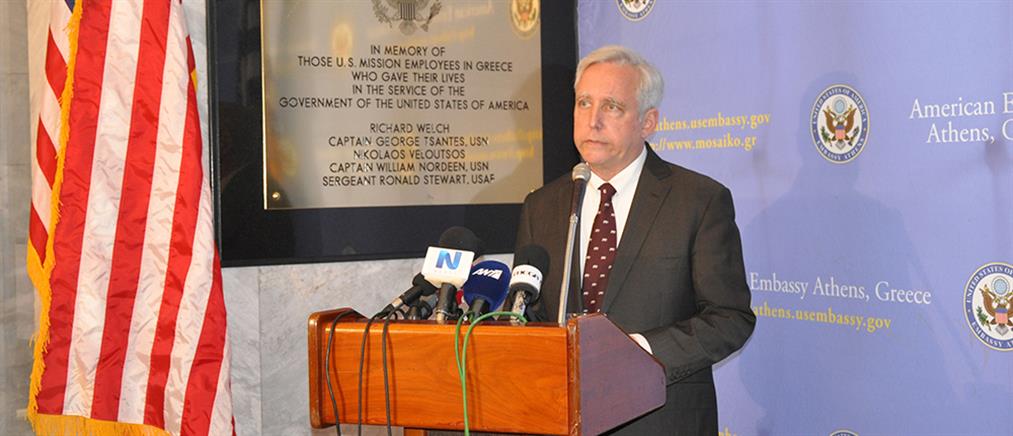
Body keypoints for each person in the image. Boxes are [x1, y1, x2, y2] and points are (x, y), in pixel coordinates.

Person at [515, 45, 755, 435]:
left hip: (660, 420)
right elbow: (529, 314)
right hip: (560, 419)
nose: (592, 121)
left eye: (611, 107)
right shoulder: (541, 206)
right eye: (584, 103)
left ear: (648, 122)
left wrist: (637, 351)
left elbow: (730, 319)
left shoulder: (698, 201)